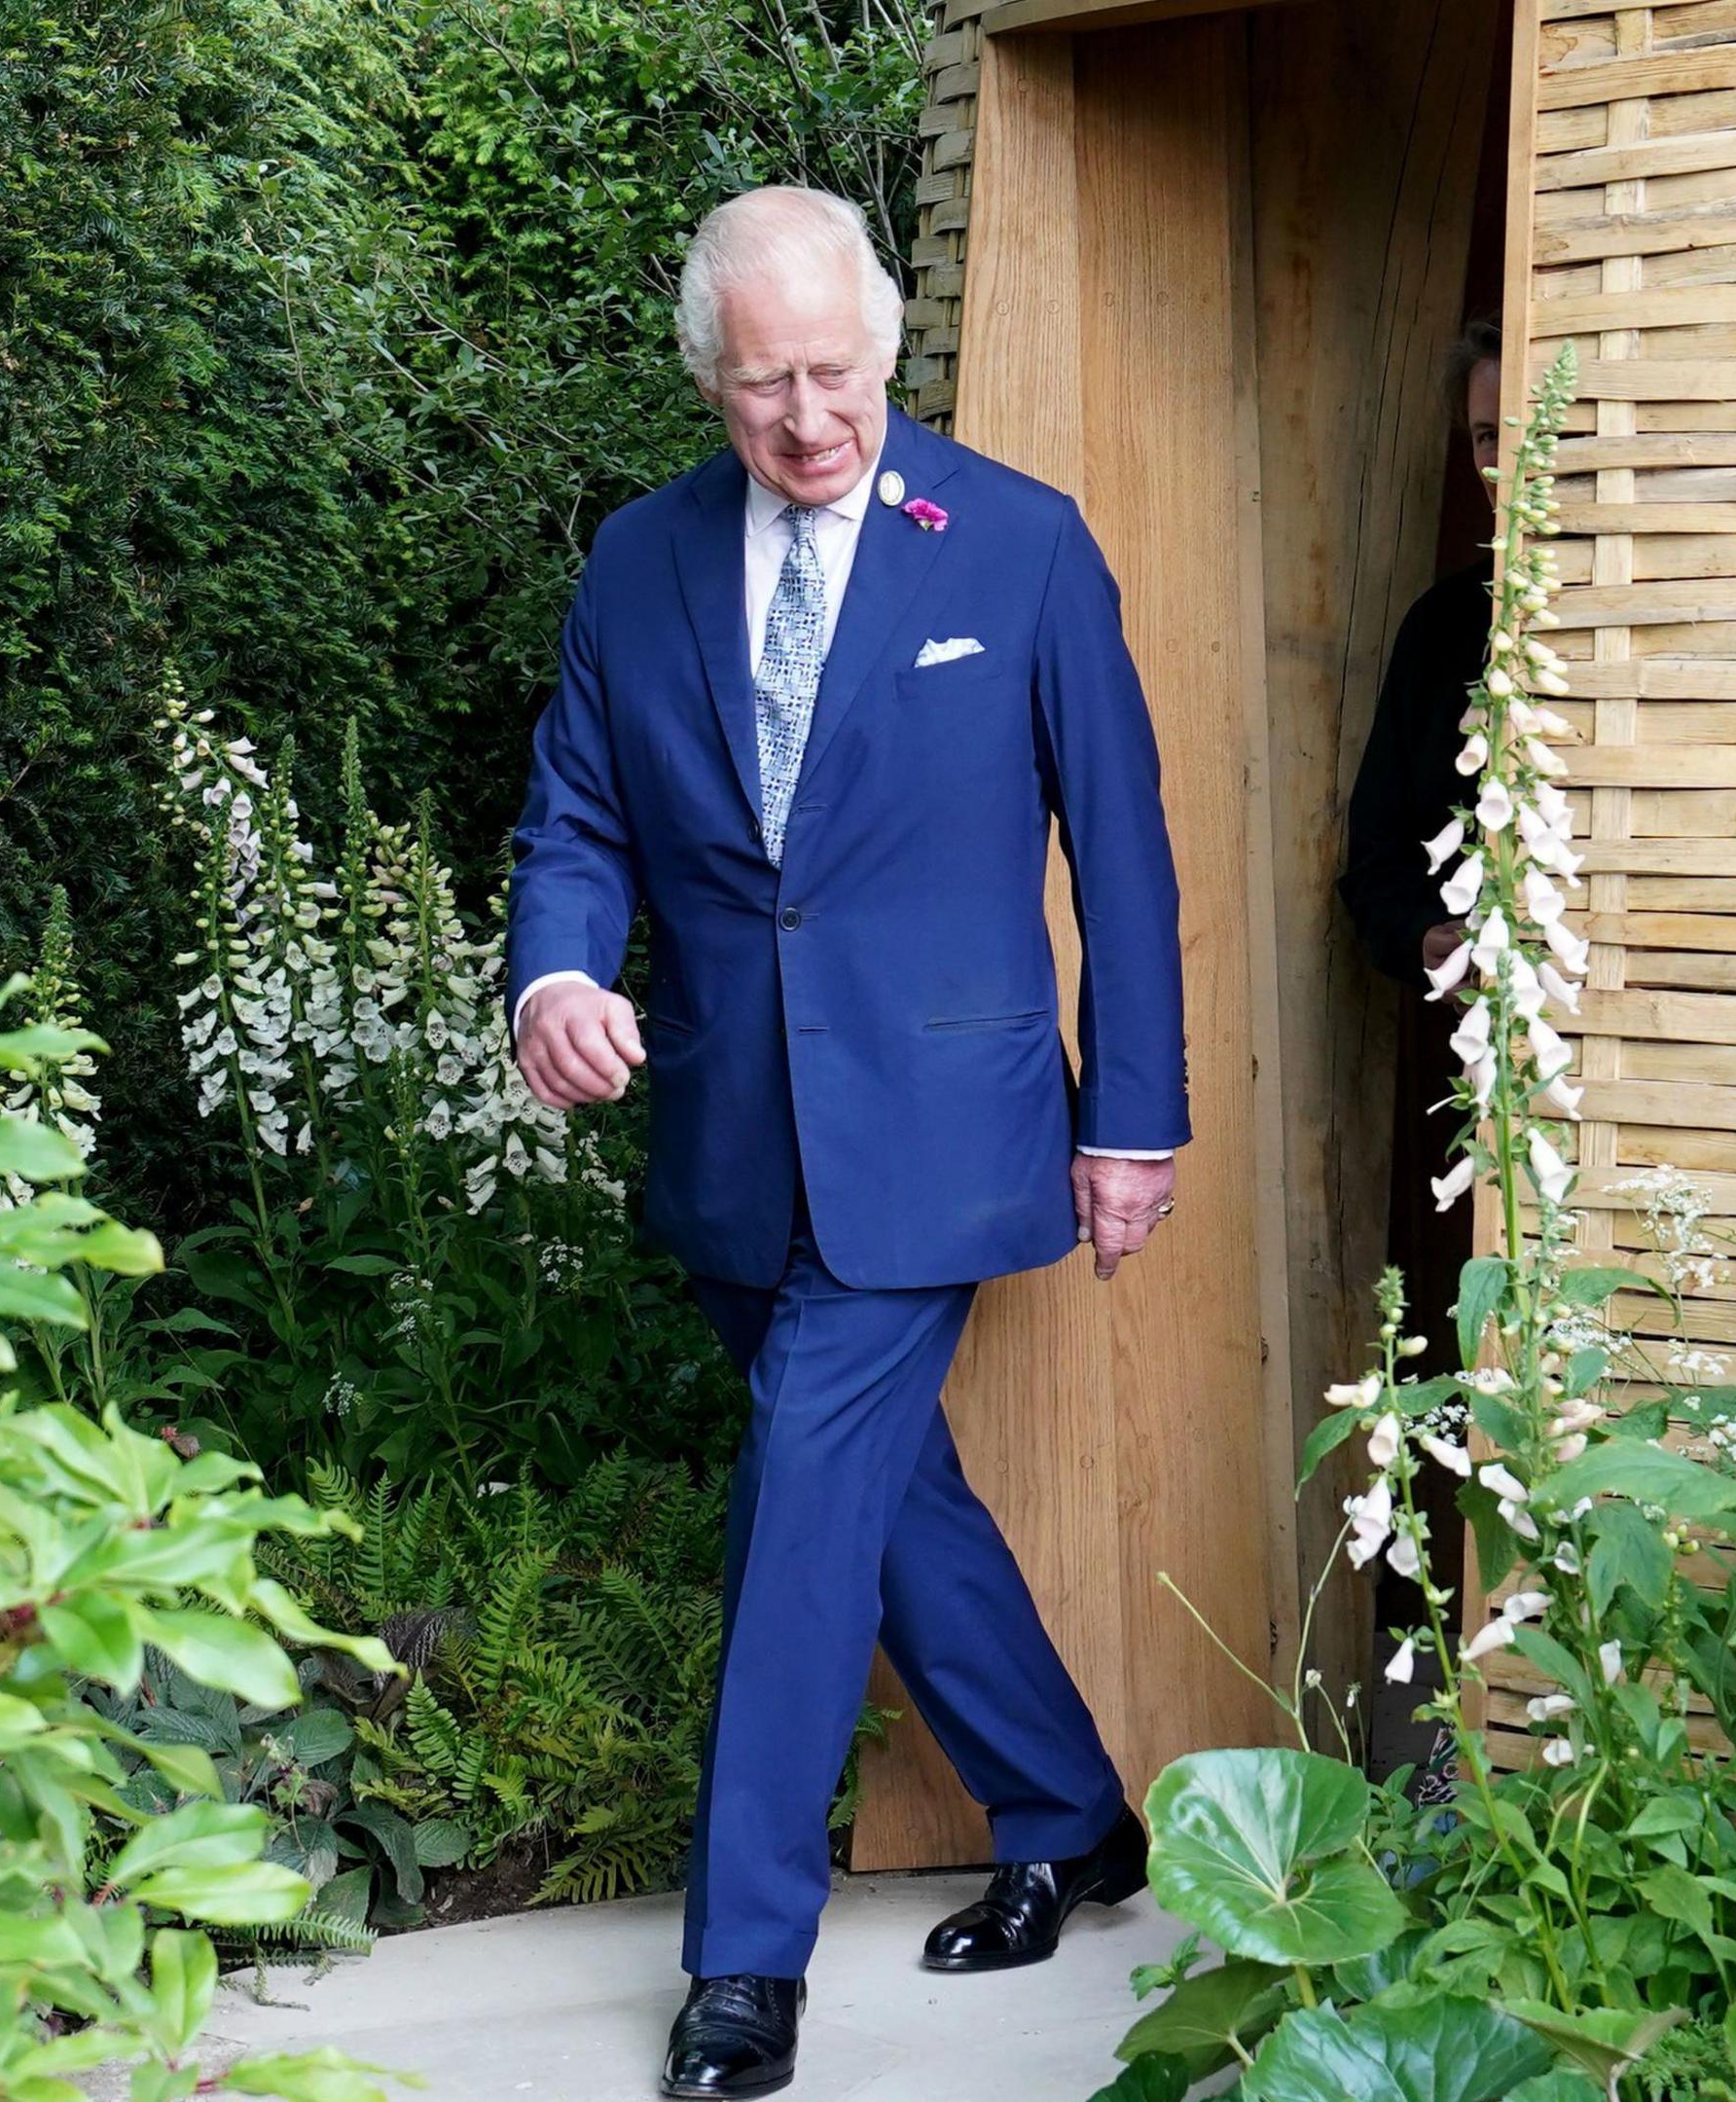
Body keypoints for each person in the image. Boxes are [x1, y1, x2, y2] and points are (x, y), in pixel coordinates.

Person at [508, 185, 1190, 2100]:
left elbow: (1121, 862)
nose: (806, 422)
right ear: (709, 383)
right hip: (728, 1125)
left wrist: (1130, 1116)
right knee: (892, 1503)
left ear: (885, 348)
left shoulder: (1024, 548)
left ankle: (745, 1966)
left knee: (805, 1510)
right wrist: (553, 982)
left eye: (832, 376)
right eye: (760, 391)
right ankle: (1070, 1815)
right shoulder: (637, 568)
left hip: (941, 1129)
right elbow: (574, 822)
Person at [1336, 319, 1502, 1785]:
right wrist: (1439, 944)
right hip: (1481, 1090)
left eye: (1528, 438)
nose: (1506, 471)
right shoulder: (1449, 630)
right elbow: (1372, 869)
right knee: (1470, 1374)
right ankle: (1463, 1741)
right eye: (1484, 443)